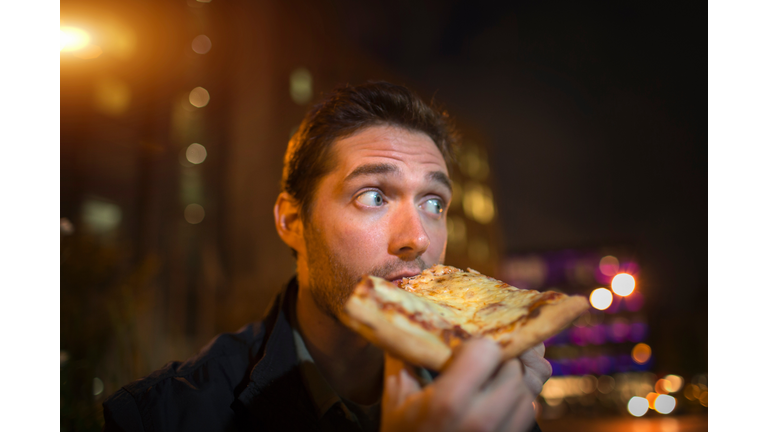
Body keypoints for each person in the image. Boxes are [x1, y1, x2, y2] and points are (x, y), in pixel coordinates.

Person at [103, 82, 551, 432]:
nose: (417, 238)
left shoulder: (484, 397)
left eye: (434, 203)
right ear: (292, 222)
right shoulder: (160, 417)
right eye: (374, 196)